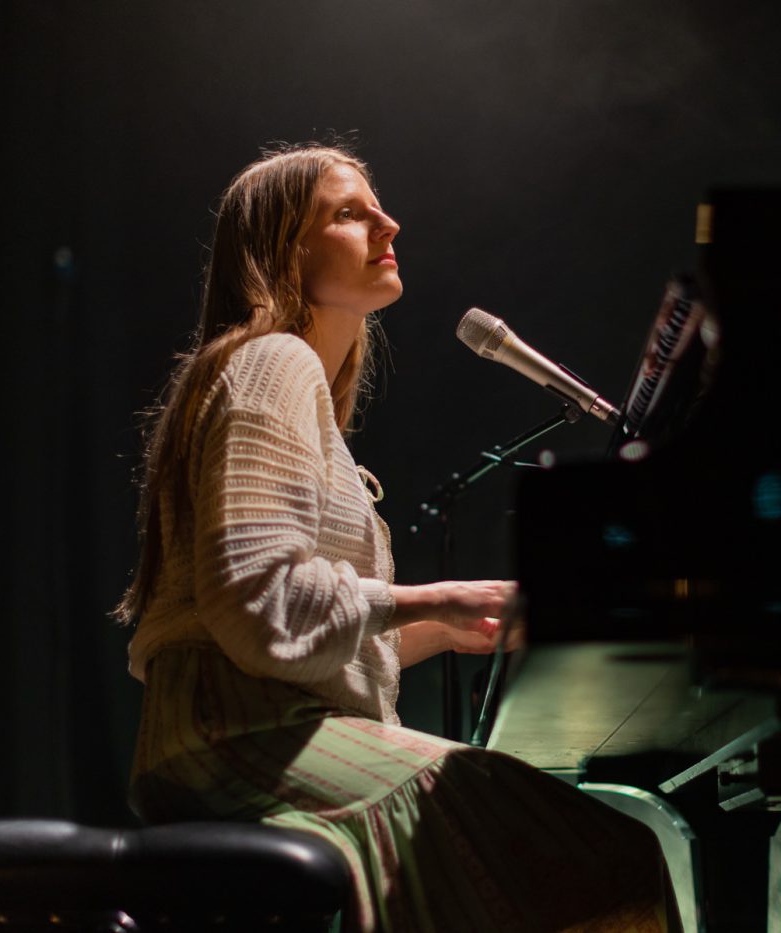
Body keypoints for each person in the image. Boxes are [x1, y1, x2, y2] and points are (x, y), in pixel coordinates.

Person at [116, 143, 680, 932]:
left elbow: (286, 632)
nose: (389, 221)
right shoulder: (273, 362)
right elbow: (257, 604)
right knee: (597, 854)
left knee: (571, 850)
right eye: (348, 212)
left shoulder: (280, 379)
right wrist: (434, 595)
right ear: (285, 250)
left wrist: (433, 628)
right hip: (239, 738)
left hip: (234, 731)